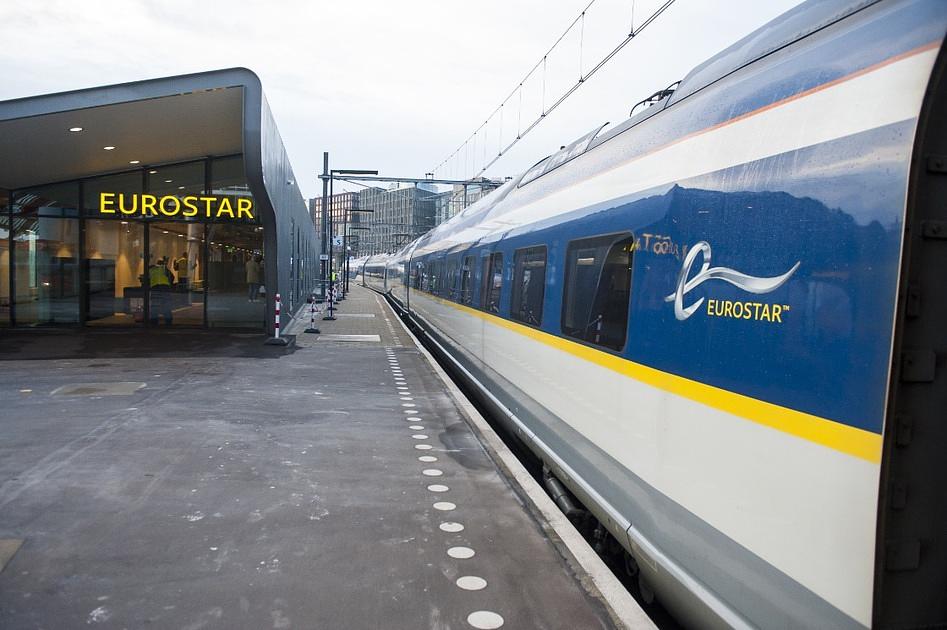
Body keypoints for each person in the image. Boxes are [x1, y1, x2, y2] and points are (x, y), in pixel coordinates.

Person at [149, 256, 173, 325]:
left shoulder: (151, 269)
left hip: (155, 287)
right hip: (165, 288)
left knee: (154, 305)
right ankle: (168, 321)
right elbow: (172, 277)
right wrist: (169, 284)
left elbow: (146, 279)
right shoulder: (164, 268)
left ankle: (154, 321)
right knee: (166, 305)